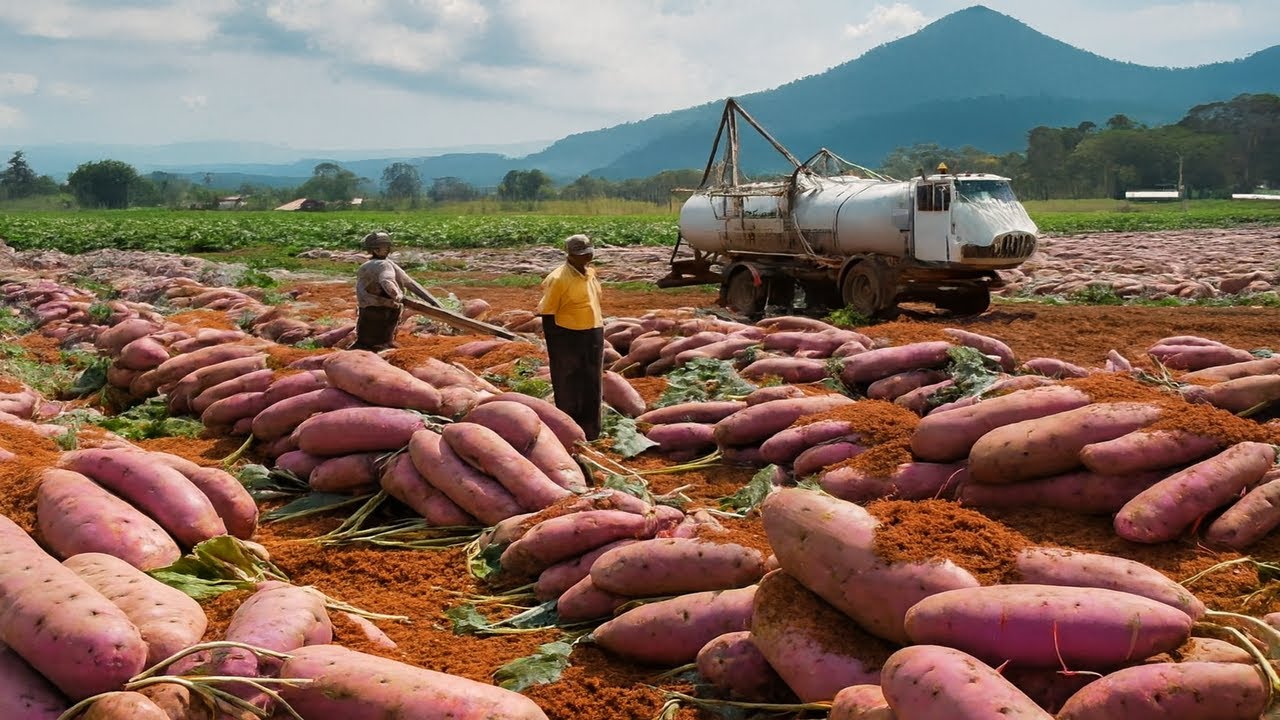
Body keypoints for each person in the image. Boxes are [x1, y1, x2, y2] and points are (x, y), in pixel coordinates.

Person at [538, 234, 605, 440]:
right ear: (569, 255)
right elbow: (547, 312)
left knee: (592, 381)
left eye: (589, 252)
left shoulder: (591, 274)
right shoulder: (558, 279)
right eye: (581, 254)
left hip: (593, 332)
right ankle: (568, 430)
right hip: (566, 334)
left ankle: (592, 431)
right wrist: (558, 345)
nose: (586, 257)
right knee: (568, 381)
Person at [352, 231, 439, 351]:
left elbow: (410, 284)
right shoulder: (383, 265)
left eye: (387, 247)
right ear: (375, 250)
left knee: (368, 339)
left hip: (368, 308)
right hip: (381, 309)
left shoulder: (371, 265)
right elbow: (387, 281)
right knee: (377, 342)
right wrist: (397, 296)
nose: (388, 249)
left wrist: (432, 301)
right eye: (385, 247)